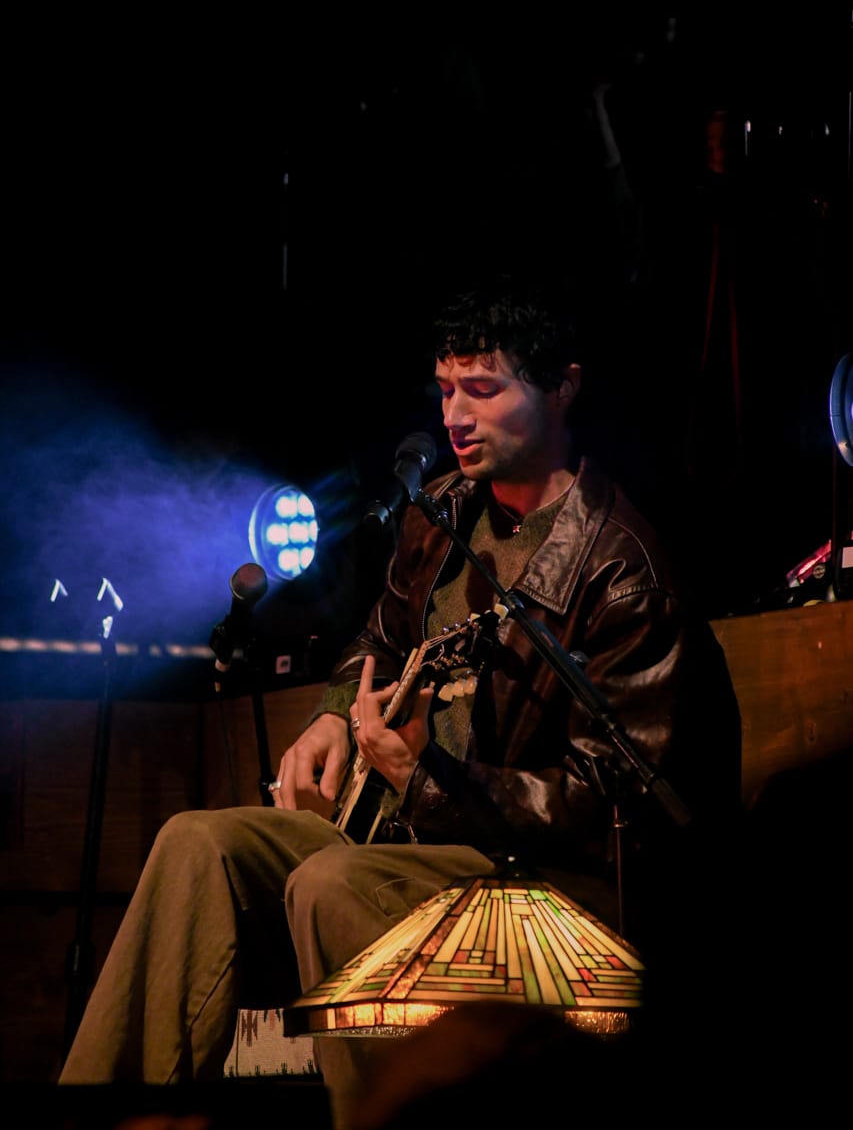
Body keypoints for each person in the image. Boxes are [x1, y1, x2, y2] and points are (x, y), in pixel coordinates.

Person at [58, 275, 743, 1128]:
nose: (455, 416)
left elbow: (620, 809)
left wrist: (427, 780)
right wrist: (330, 712)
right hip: (407, 843)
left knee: (332, 881)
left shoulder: (622, 574)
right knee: (198, 841)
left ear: (563, 386)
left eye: (482, 389)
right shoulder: (441, 514)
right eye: (445, 390)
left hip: (548, 883)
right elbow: (378, 639)